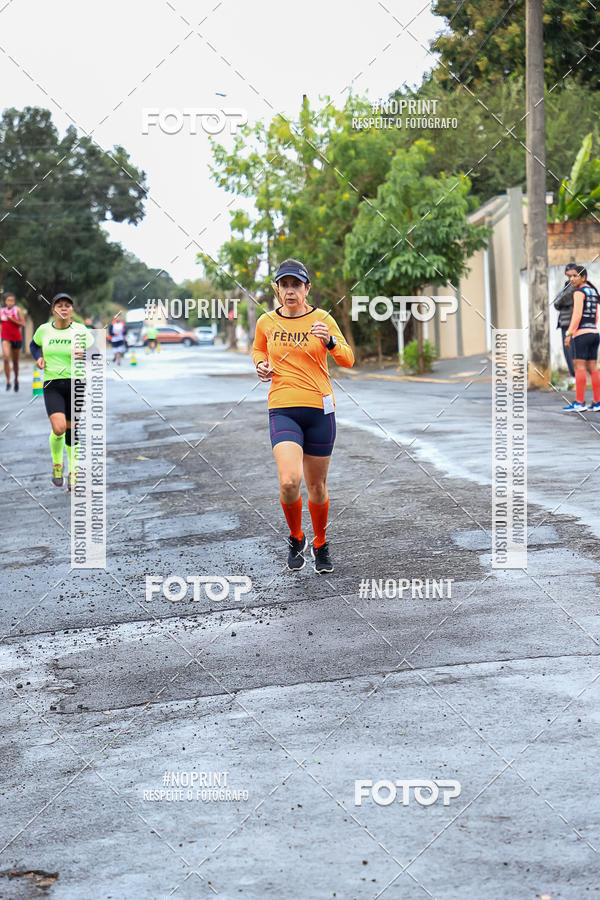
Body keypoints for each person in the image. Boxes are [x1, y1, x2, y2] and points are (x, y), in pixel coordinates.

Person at [252, 258, 354, 573]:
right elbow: (258, 350)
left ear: (307, 288)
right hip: (283, 408)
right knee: (288, 481)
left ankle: (320, 542)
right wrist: (260, 366)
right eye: (284, 285)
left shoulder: (322, 319)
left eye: (296, 285)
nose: (290, 291)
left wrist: (330, 341)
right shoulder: (266, 321)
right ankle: (296, 536)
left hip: (320, 411)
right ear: (277, 289)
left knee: (317, 486)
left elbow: (348, 359)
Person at [29, 293, 93, 489]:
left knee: (72, 430)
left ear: (72, 310)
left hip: (76, 383)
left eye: (67, 305)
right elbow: (34, 345)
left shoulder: (81, 330)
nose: (64, 308)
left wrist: (86, 353)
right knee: (59, 428)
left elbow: (97, 351)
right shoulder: (44, 330)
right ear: (53, 309)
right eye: (60, 305)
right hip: (52, 384)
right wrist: (38, 357)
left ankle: (74, 472)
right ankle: (57, 464)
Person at [562, 265, 600, 412]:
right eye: (569, 276)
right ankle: (597, 402)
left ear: (583, 277)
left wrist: (569, 334)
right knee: (593, 368)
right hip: (594, 332)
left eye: (574, 276)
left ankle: (579, 402)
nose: (571, 279)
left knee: (579, 367)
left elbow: (577, 315)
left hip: (582, 334)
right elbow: (596, 315)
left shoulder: (578, 292)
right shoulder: (593, 291)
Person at [553, 264, 578, 378]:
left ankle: (576, 377)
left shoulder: (574, 286)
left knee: (571, 352)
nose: (570, 277)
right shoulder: (568, 285)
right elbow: (556, 301)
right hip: (565, 323)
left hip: (570, 323)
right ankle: (574, 377)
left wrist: (559, 301)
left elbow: (559, 301)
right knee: (568, 352)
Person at [1, 293, 26, 392]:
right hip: (5, 338)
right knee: (6, 358)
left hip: (16, 338)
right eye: (8, 300)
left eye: (12, 300)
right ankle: (8, 381)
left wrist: (12, 319)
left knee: (15, 361)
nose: (10, 302)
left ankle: (16, 379)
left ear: (14, 302)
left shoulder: (17, 310)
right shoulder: (2, 311)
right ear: (5, 301)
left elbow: (23, 324)